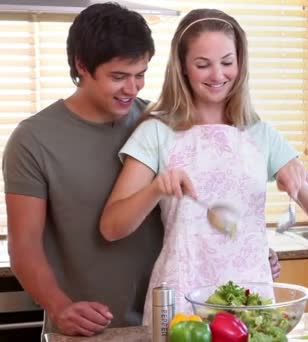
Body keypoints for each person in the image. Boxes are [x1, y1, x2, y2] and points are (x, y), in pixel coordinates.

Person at [0, 3, 280, 338]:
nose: (132, 89)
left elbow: (201, 207)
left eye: (140, 75)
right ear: (81, 66)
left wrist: (246, 249)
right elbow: (24, 246)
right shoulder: (33, 140)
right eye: (118, 77)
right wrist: (59, 305)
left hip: (172, 320)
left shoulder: (161, 123)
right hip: (87, 327)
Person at [99, 8, 308, 326]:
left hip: (252, 300)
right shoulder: (157, 132)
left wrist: (299, 185)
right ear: (182, 67)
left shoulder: (260, 134)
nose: (217, 75)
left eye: (227, 62)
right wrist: (156, 188)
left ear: (240, 62)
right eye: (203, 64)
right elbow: (112, 227)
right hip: (183, 297)